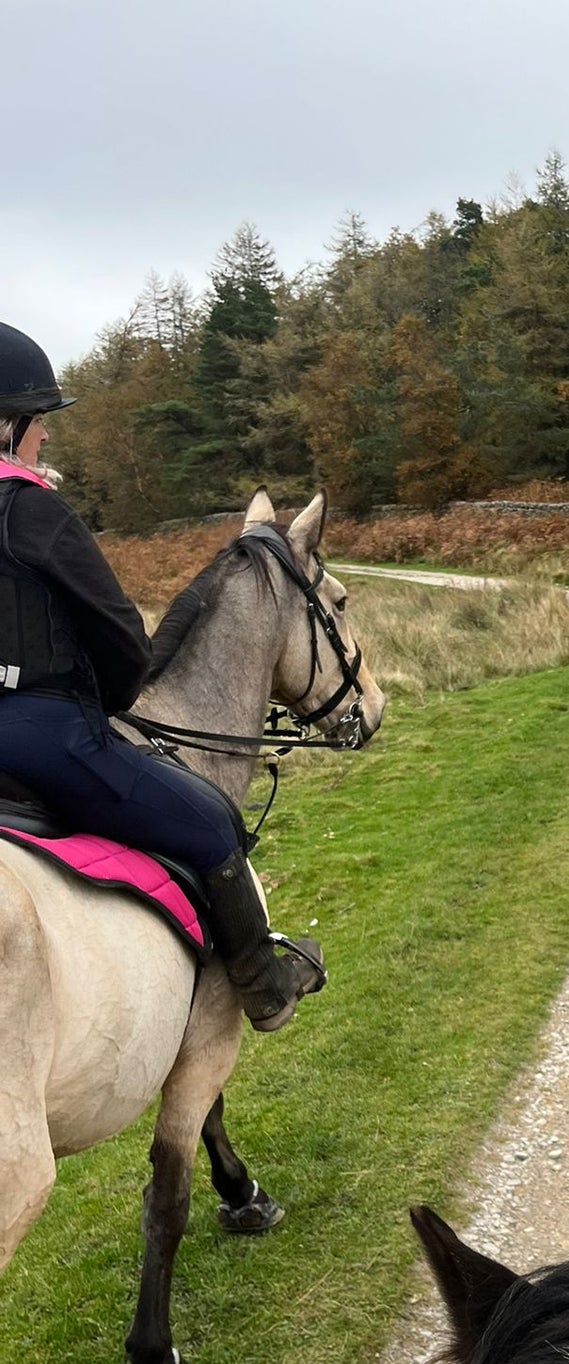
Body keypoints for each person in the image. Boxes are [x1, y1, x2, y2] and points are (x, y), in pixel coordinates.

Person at [0, 321, 323, 1030]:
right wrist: (107, 704)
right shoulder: (33, 512)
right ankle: (265, 991)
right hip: (51, 740)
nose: (45, 437)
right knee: (213, 825)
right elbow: (119, 633)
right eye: (38, 422)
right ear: (7, 424)